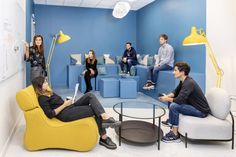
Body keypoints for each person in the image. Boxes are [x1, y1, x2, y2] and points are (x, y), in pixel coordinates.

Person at [32, 76, 120, 149]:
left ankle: (105, 118)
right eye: (44, 82)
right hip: (65, 114)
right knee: (94, 109)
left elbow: (57, 103)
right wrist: (64, 105)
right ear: (39, 87)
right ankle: (104, 137)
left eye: (46, 81)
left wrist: (68, 102)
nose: (47, 83)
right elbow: (50, 114)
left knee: (89, 95)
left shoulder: (49, 92)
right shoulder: (42, 98)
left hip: (68, 107)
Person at [159, 62, 210, 142]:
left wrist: (167, 99)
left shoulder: (189, 83)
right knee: (171, 99)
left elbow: (179, 100)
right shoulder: (183, 80)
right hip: (193, 105)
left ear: (182, 72)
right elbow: (175, 92)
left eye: (175, 70)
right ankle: (171, 121)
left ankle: (175, 135)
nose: (173, 72)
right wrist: (167, 96)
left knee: (173, 106)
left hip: (201, 111)